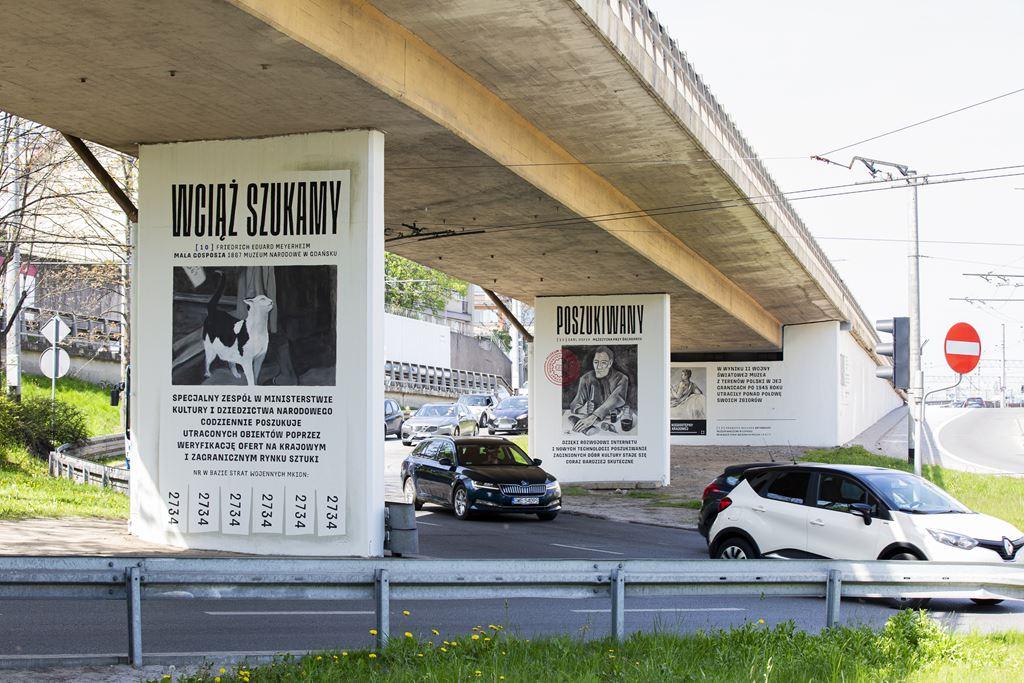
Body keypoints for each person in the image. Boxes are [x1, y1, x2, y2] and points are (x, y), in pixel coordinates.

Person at [568, 346, 629, 434]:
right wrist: (581, 409)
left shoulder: (622, 378)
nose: (598, 367)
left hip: (615, 422)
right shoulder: (585, 378)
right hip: (590, 423)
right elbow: (574, 405)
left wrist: (593, 417)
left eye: (603, 363)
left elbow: (616, 399)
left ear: (610, 363)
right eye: (596, 362)